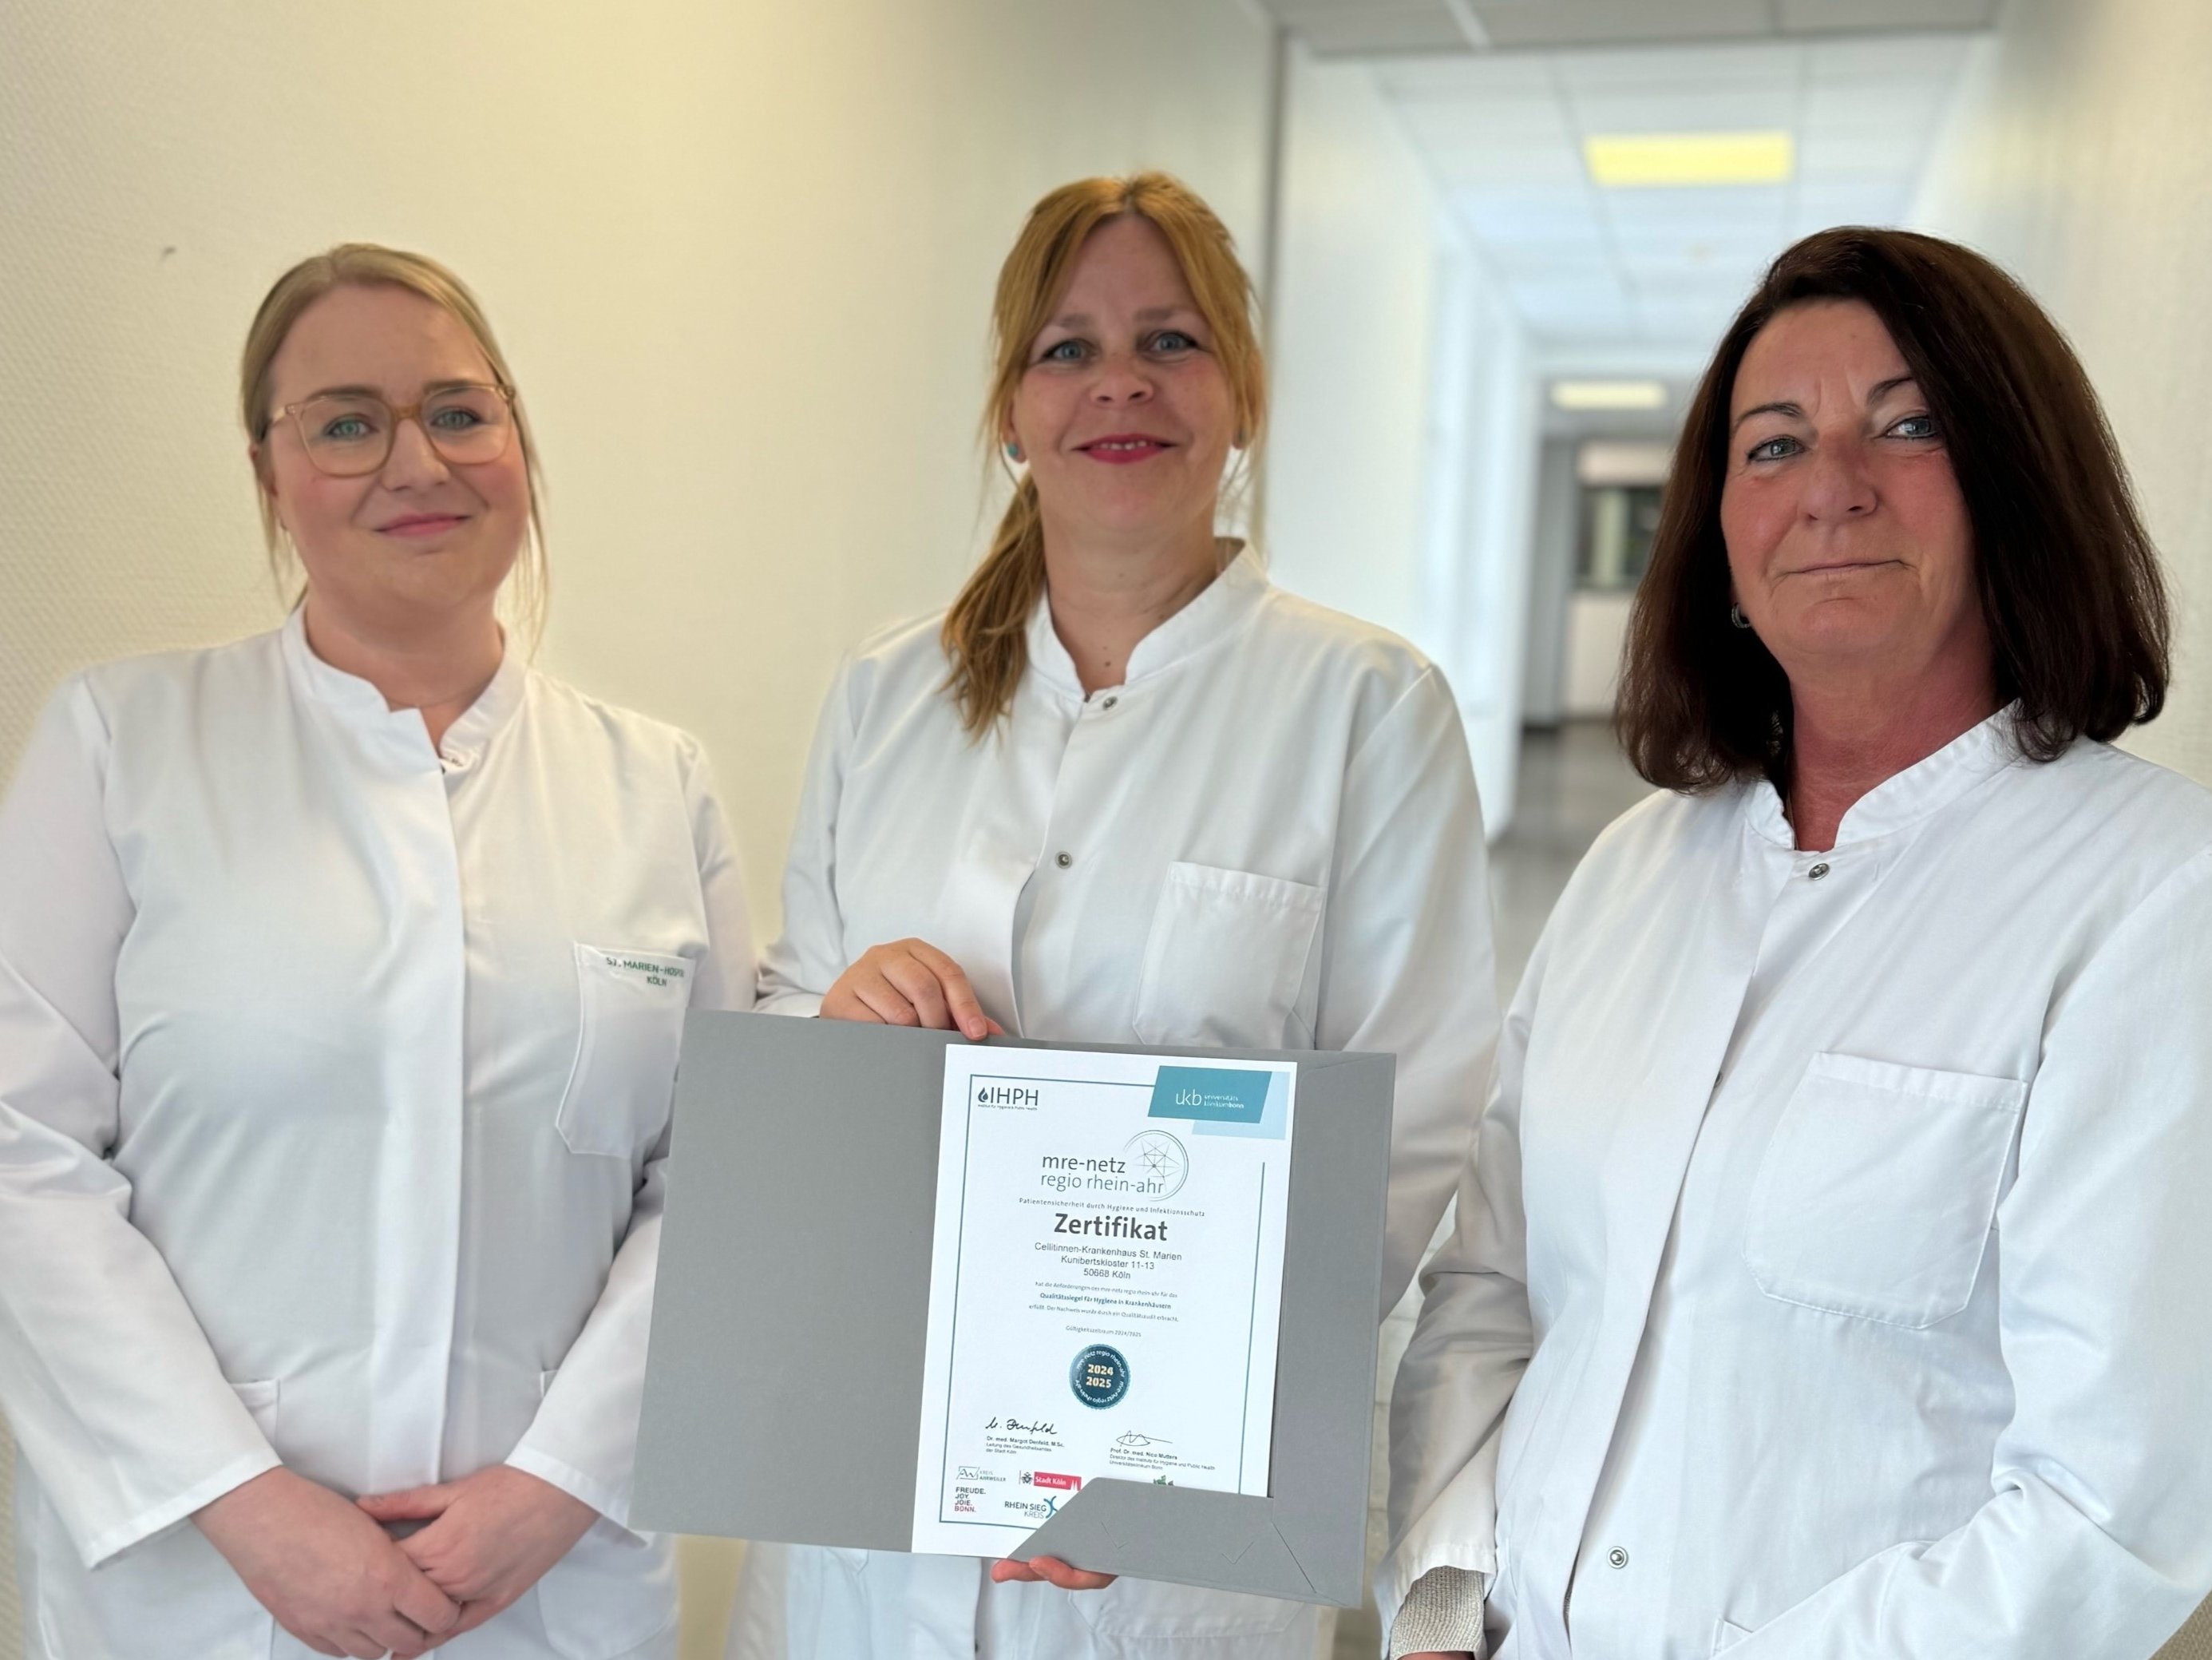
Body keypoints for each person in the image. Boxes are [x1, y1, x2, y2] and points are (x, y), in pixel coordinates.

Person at [1381, 226, 2212, 1660]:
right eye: (1773, 447)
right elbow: (1493, 1297)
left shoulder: (2151, 895)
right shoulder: (1634, 871)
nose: (1833, 485)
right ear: (1718, 530)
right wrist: (1445, 1608)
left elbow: (2110, 1508)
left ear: (2016, 484)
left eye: (1911, 425)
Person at [724, 172, 1498, 1660]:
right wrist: (841, 1014)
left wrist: (1137, 1433)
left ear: (1245, 393)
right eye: (1067, 348)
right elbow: (786, 1040)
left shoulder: (1364, 709)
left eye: (1172, 340)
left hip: (1164, 1541)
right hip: (868, 1504)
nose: (1119, 385)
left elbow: (1406, 1133)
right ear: (1011, 408)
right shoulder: (885, 697)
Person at [0, 244, 754, 1658]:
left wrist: (554, 1488)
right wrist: (245, 1505)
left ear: (517, 441)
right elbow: (20, 1155)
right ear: (270, 474)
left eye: (460, 412)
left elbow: (716, 1180)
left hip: (546, 1586)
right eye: (346, 423)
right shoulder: (124, 746)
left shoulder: (655, 786)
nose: (417, 462)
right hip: (207, 1592)